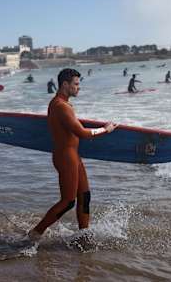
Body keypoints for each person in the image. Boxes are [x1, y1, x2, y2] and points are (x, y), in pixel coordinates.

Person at [27, 68, 117, 242]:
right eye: (76, 84)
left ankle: (84, 235)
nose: (79, 87)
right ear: (65, 84)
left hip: (72, 155)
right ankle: (35, 233)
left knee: (85, 195)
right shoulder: (61, 106)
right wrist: (105, 130)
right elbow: (82, 134)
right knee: (68, 201)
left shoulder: (62, 104)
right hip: (65, 157)